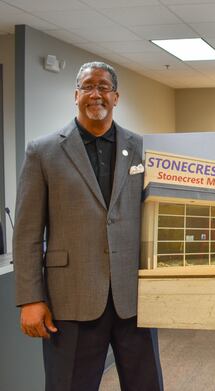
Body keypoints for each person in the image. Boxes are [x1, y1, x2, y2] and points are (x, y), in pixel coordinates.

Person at [13, 62, 163, 391]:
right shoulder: (43, 151)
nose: (96, 94)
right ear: (75, 95)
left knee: (147, 385)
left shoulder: (140, 148)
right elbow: (26, 232)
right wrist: (30, 299)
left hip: (133, 299)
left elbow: (155, 217)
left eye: (104, 87)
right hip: (71, 300)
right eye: (87, 87)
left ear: (116, 96)